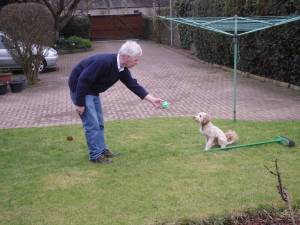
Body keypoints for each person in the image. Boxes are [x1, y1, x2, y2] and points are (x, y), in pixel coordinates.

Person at [68, 40, 164, 164]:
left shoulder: (121, 68)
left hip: (92, 90)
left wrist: (152, 99)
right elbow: (82, 80)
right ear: (127, 57)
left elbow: (132, 84)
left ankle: (102, 150)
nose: (137, 62)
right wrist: (80, 103)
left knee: (99, 123)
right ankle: (95, 156)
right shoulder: (103, 62)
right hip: (81, 89)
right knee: (92, 124)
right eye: (136, 59)